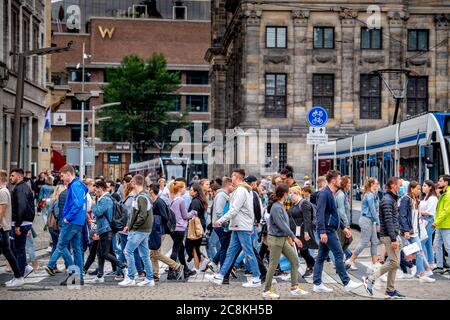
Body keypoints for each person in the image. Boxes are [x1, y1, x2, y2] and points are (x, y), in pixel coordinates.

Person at [210, 169, 262, 288]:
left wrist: (220, 220)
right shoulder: (243, 190)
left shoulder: (241, 191)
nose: (231, 178)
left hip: (241, 226)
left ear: (236, 177)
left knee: (248, 252)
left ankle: (256, 278)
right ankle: (221, 276)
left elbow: (234, 209)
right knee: (230, 252)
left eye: (232, 176)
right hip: (238, 226)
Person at [312, 170, 362, 293]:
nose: (340, 181)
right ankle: (347, 282)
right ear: (333, 180)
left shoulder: (331, 193)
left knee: (321, 257)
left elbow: (333, 215)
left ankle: (317, 283)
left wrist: (343, 227)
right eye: (339, 179)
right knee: (339, 255)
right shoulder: (325, 194)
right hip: (328, 231)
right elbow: (320, 214)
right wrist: (322, 231)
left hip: (329, 229)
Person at [362, 177, 406, 299]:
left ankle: (390, 290)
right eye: (399, 185)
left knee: (395, 263)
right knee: (394, 262)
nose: (400, 187)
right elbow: (388, 221)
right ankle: (370, 278)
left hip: (392, 234)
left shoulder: (390, 198)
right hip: (388, 235)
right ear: (392, 185)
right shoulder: (387, 200)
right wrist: (393, 239)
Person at [262, 183, 308, 299]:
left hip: (282, 239)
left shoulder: (280, 205)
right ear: (285, 193)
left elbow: (284, 225)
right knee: (273, 265)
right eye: (289, 192)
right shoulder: (277, 207)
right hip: (276, 239)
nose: (290, 195)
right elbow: (282, 225)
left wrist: (289, 238)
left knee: (294, 261)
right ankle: (266, 290)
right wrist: (294, 237)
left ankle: (294, 287)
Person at [44, 164, 87, 286]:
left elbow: (78, 204)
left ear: (68, 174)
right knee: (77, 249)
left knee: (61, 246)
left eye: (62, 176)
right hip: (77, 221)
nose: (62, 179)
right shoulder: (78, 185)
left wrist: (68, 217)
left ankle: (75, 274)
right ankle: (79, 278)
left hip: (71, 222)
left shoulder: (75, 186)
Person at [88, 180, 127, 283]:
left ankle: (123, 266)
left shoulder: (106, 199)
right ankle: (100, 276)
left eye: (96, 189)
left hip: (106, 229)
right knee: (100, 253)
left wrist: (93, 203)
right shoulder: (102, 199)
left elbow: (97, 212)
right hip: (103, 229)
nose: (95, 191)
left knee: (105, 253)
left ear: (101, 188)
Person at [119, 174, 155, 286]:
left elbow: (141, 216)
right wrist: (129, 226)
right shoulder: (145, 195)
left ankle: (130, 277)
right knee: (144, 255)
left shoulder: (141, 197)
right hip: (144, 229)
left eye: (131, 182)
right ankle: (149, 278)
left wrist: (132, 227)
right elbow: (140, 215)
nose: (130, 184)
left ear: (134, 183)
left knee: (127, 251)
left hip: (140, 230)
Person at [399, 181, 435, 283]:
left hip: (415, 231)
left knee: (418, 252)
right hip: (409, 232)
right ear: (411, 189)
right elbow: (402, 216)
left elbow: (415, 217)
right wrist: (406, 230)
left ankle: (422, 273)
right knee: (405, 252)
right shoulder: (406, 199)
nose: (420, 191)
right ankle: (423, 272)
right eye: (418, 189)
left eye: (420, 189)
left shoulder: (416, 200)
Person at [148, 183, 184, 282]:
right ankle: (155, 275)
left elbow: (165, 217)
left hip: (159, 231)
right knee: (153, 253)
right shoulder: (155, 201)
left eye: (149, 189)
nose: (148, 191)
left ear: (151, 190)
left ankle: (177, 266)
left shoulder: (159, 202)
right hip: (156, 231)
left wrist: (158, 226)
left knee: (156, 253)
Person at [347, 177, 381, 272]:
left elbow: (377, 207)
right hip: (366, 220)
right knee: (364, 242)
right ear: (371, 184)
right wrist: (378, 222)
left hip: (371, 220)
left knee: (374, 241)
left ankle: (374, 263)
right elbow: (373, 210)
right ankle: (351, 260)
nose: (377, 185)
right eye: (376, 183)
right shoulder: (369, 195)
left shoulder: (374, 194)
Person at [115, 179, 144, 281]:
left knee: (125, 250)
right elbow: (131, 215)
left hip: (123, 229)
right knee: (133, 250)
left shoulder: (127, 198)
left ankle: (119, 272)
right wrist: (130, 226)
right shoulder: (132, 199)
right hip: (127, 229)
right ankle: (140, 272)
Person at [167, 180, 197, 280]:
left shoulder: (171, 199)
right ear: (180, 189)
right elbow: (185, 216)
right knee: (176, 249)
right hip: (180, 228)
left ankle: (186, 270)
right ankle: (171, 272)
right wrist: (193, 212)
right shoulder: (181, 200)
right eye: (184, 187)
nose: (185, 189)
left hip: (173, 228)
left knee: (180, 249)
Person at [9, 168, 35, 279]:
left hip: (21, 223)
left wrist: (18, 224)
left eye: (13, 175)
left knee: (18, 249)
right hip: (22, 222)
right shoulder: (21, 187)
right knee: (16, 248)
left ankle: (20, 274)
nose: (11, 177)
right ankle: (25, 267)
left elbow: (21, 206)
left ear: (19, 177)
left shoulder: (20, 188)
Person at [0, 170, 24, 287]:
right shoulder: (4, 191)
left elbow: (1, 211)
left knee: (9, 253)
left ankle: (18, 276)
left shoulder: (3, 192)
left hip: (2, 228)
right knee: (8, 252)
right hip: (3, 228)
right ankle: (18, 276)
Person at [288, 186, 316, 278]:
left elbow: (307, 219)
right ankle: (311, 266)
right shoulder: (295, 204)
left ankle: (311, 267)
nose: (290, 196)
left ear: (298, 194)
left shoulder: (304, 204)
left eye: (292, 194)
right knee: (299, 251)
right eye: (290, 194)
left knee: (303, 251)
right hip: (296, 232)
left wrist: (307, 232)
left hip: (303, 231)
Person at [206, 177, 233, 272]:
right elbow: (219, 212)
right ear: (228, 185)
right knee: (224, 247)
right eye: (232, 185)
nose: (233, 187)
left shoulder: (224, 194)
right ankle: (222, 269)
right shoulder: (222, 195)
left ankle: (215, 263)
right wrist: (225, 223)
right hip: (221, 225)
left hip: (220, 225)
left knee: (224, 246)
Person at [186, 183, 209, 273]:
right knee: (193, 247)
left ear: (195, 192)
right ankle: (203, 260)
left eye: (191, 190)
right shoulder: (198, 200)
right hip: (198, 225)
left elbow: (194, 215)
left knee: (193, 247)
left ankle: (196, 267)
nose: (189, 191)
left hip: (195, 226)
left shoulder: (195, 201)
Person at [432, 175, 450, 274]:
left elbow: (446, 211)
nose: (438, 183)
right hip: (440, 224)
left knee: (448, 246)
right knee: (436, 244)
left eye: (440, 181)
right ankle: (439, 266)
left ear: (446, 182)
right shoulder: (445, 193)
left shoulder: (449, 194)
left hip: (446, 225)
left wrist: (436, 222)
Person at [420, 180, 438, 270]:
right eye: (422, 186)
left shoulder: (433, 198)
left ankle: (425, 263)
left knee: (422, 242)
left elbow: (430, 212)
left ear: (430, 187)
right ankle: (430, 262)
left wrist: (419, 213)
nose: (422, 187)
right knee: (427, 243)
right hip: (424, 221)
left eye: (425, 186)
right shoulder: (425, 197)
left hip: (429, 221)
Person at [335, 176, 353, 261]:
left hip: (342, 222)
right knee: (345, 241)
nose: (350, 184)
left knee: (345, 240)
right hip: (341, 222)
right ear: (345, 184)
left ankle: (346, 257)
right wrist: (346, 223)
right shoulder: (341, 194)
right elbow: (341, 211)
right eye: (349, 183)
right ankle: (344, 258)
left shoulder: (343, 193)